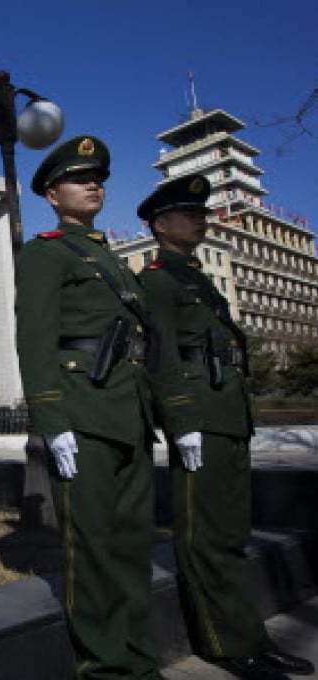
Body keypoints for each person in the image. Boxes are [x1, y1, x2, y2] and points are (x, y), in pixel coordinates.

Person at [15, 135, 201, 679]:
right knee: (94, 550)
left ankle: (139, 661)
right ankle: (108, 668)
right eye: (80, 178)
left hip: (130, 417)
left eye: (98, 177)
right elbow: (36, 340)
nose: (94, 184)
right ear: (52, 194)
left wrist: (169, 419)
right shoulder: (47, 253)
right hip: (84, 415)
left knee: (129, 550)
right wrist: (52, 419)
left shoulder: (111, 261)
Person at [137, 174, 314, 680]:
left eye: (202, 211)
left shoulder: (196, 279)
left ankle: (251, 638)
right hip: (199, 419)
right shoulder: (157, 281)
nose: (201, 218)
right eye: (189, 212)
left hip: (226, 417)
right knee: (206, 537)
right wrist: (182, 419)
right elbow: (162, 353)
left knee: (232, 535)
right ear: (160, 224)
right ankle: (225, 645)